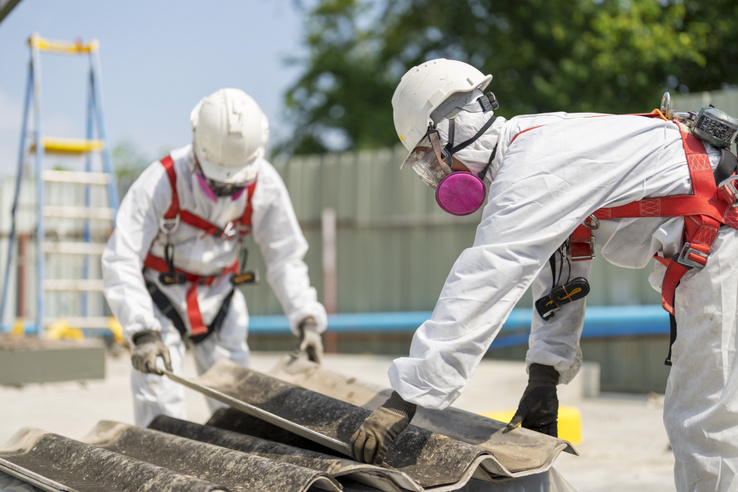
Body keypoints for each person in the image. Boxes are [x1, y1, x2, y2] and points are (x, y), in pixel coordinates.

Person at [350, 58, 738, 491]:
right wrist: (544, 376)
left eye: (427, 154)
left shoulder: (531, 166)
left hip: (723, 237)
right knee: (702, 415)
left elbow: (485, 277)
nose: (436, 172)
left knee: (702, 421)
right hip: (712, 245)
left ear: (451, 128)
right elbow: (564, 265)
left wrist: (406, 399)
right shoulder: (528, 146)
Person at [102, 88, 327, 427]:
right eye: (217, 182)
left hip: (220, 298)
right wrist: (142, 331)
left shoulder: (264, 185)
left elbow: (285, 257)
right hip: (160, 299)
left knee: (237, 404)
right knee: (160, 403)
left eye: (235, 183)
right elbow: (122, 257)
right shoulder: (162, 181)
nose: (226, 191)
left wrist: (307, 319)